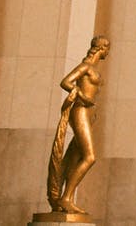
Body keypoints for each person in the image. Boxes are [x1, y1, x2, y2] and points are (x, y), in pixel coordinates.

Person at [46, 35, 109, 214]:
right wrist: (81, 96)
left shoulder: (94, 69)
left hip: (88, 114)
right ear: (101, 49)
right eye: (106, 48)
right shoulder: (86, 67)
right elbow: (65, 82)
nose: (107, 52)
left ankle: (66, 198)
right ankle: (66, 198)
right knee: (90, 157)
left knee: (74, 157)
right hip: (80, 110)